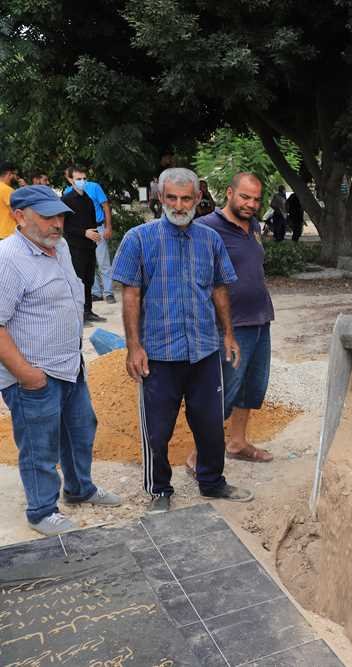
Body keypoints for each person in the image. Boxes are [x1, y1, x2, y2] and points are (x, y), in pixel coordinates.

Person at [111, 167, 253, 514]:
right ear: (160, 198)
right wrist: (134, 346)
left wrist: (229, 334)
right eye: (171, 198)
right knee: (157, 431)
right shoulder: (138, 239)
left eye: (186, 198)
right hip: (158, 354)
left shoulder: (210, 240)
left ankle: (212, 482)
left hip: (204, 350)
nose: (178, 205)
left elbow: (220, 287)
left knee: (209, 425)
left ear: (198, 199)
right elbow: (131, 295)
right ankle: (159, 490)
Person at [0, 186, 122, 536]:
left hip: (70, 366)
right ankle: (41, 511)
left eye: (59, 216)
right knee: (40, 446)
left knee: (80, 432)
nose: (57, 223)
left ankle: (79, 488)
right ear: (19, 216)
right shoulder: (8, 259)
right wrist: (28, 376)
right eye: (47, 216)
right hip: (34, 375)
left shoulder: (60, 246)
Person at [188, 172, 275, 471]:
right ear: (229, 193)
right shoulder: (205, 228)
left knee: (252, 387)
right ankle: (199, 453)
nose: (251, 204)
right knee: (222, 390)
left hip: (260, 318)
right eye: (245, 197)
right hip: (229, 325)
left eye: (256, 199)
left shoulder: (253, 226)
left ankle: (237, 443)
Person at [61, 166, 115, 305]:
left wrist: (107, 227)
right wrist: (83, 233)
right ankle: (95, 292)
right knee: (84, 270)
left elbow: (105, 206)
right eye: (78, 179)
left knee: (102, 262)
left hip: (97, 229)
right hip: (79, 238)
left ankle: (108, 292)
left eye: (84, 178)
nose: (82, 181)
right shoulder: (66, 196)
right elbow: (65, 224)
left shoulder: (92, 192)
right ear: (70, 179)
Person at [0, 162, 19, 239]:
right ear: (9, 174)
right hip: (8, 234)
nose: (15, 177)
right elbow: (16, 214)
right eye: (14, 175)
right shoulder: (7, 190)